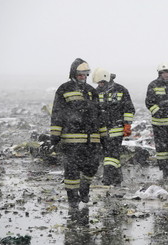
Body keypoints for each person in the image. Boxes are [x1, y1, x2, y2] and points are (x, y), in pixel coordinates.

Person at [50, 58, 101, 208]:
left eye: (85, 74)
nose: (83, 76)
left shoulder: (91, 91)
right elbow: (57, 113)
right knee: (71, 170)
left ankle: (84, 187)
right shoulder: (64, 89)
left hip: (92, 139)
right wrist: (54, 135)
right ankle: (72, 198)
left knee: (92, 167)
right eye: (80, 74)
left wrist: (104, 136)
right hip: (71, 139)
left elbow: (99, 115)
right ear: (73, 73)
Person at [92, 68, 135, 186]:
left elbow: (129, 109)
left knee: (111, 154)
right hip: (102, 130)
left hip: (116, 128)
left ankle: (107, 179)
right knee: (112, 155)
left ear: (107, 79)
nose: (100, 85)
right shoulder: (96, 92)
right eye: (98, 83)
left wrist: (127, 124)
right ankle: (117, 179)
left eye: (101, 82)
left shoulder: (121, 90)